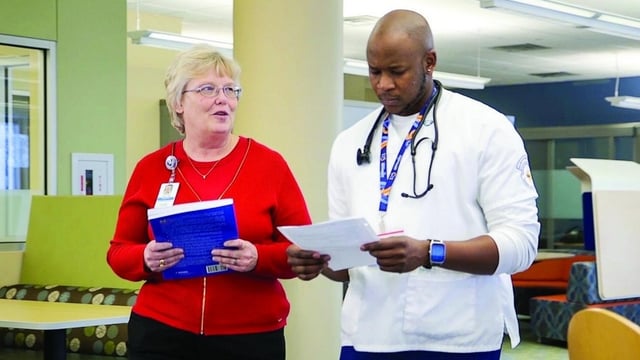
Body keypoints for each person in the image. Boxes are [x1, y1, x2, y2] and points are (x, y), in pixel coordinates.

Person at [286, 9, 540, 360]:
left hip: (458, 336)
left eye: (397, 72)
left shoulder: (486, 130)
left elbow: (522, 244)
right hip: (367, 335)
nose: (383, 84)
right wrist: (321, 262)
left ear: (429, 62)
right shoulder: (350, 142)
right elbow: (347, 264)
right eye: (375, 72)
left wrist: (429, 251)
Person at [107, 44, 311, 360]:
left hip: (249, 336)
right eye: (207, 89)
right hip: (162, 332)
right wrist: (145, 257)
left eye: (231, 90)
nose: (223, 99)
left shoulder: (269, 165)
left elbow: (302, 253)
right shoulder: (151, 168)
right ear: (177, 103)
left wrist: (258, 257)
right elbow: (118, 251)